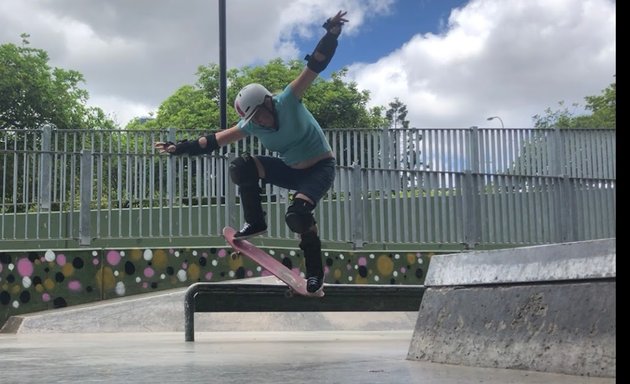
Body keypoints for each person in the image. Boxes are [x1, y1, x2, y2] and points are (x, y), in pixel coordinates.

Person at [155, 10, 348, 294]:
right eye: (253, 119)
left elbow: (316, 65)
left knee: (297, 216)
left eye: (260, 115)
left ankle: (315, 273)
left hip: (320, 169)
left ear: (269, 103)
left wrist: (330, 34)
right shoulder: (252, 126)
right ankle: (255, 221)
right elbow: (212, 141)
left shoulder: (289, 98)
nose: (258, 122)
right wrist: (177, 148)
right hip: (290, 170)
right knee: (241, 166)